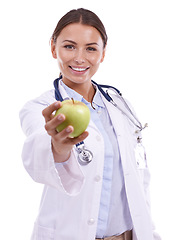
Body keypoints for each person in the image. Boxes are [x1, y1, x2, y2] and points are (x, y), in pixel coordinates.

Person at [19, 8, 161, 240]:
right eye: (69, 46)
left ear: (103, 53)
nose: (79, 58)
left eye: (91, 49)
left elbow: (139, 178)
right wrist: (58, 147)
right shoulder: (41, 107)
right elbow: (37, 153)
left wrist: (150, 232)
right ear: (53, 47)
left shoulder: (120, 105)